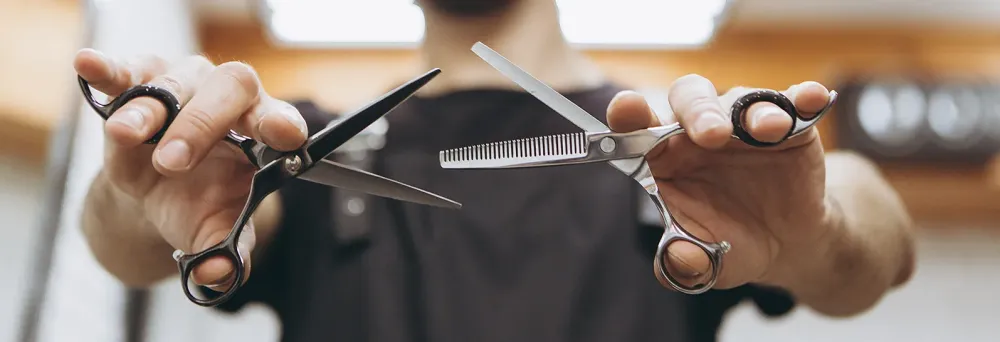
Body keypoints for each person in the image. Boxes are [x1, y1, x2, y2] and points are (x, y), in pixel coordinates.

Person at [73, 0, 916, 341]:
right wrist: (141, 192)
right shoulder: (290, 152)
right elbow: (122, 246)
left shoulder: (695, 159)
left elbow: (874, 229)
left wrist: (817, 229)